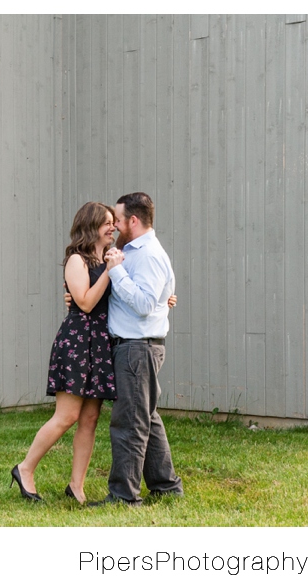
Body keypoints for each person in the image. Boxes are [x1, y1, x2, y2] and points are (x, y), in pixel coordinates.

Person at [11, 202, 118, 503]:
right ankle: (25, 468)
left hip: (99, 343)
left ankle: (76, 487)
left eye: (113, 222)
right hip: (77, 341)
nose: (112, 227)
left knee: (90, 418)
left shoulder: (106, 258)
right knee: (68, 415)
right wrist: (110, 272)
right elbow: (83, 303)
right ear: (90, 225)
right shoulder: (77, 259)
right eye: (106, 222)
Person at [90, 191, 183, 506]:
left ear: (133, 220)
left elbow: (144, 303)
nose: (114, 225)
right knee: (146, 416)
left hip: (137, 349)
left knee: (129, 421)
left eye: (117, 219)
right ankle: (166, 485)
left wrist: (116, 271)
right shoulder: (133, 252)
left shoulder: (149, 255)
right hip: (135, 347)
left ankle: (123, 495)